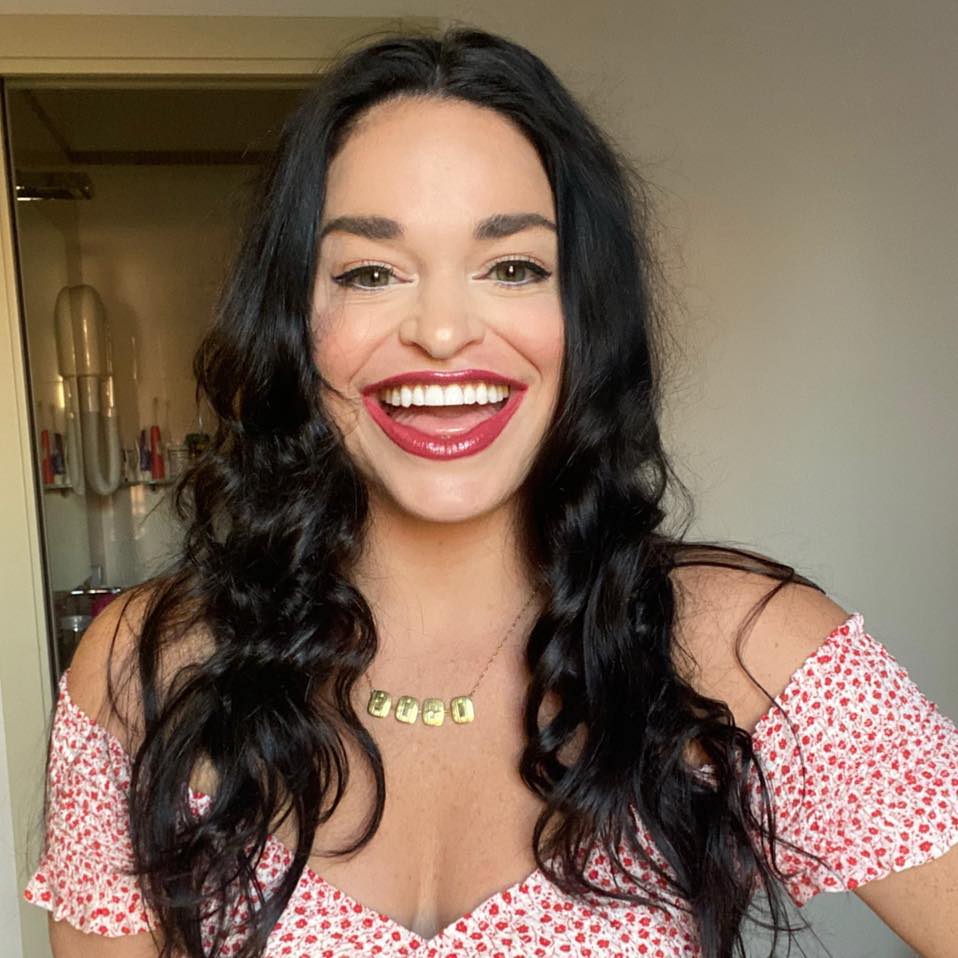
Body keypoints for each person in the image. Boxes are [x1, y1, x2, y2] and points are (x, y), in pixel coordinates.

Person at [23, 27, 958, 958]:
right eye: (370, 272)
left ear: (585, 312)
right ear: (296, 321)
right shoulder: (146, 670)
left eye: (513, 267)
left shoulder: (746, 651)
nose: (440, 333)